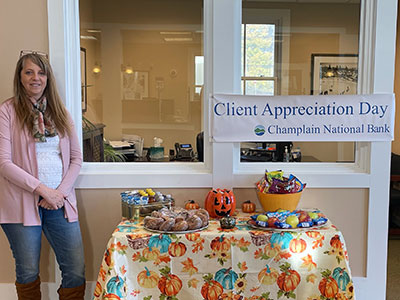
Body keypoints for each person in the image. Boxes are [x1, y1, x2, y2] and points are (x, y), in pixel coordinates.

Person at [0, 51, 85, 299]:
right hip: (20, 202)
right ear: (20, 77)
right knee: (27, 271)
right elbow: (4, 163)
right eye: (29, 72)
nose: (35, 78)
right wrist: (42, 189)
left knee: (75, 269)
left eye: (41, 72)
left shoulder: (60, 113)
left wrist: (58, 194)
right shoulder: (7, 111)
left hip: (60, 202)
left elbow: (76, 160)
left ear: (48, 78)